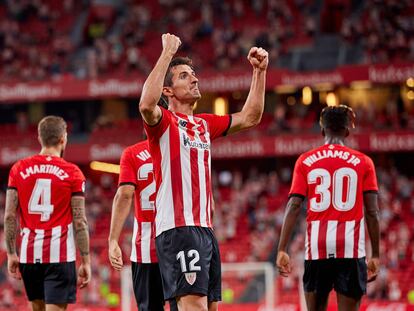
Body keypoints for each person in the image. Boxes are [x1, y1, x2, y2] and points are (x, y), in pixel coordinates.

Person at [138, 33, 268, 311]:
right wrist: (167, 54)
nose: (195, 79)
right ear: (169, 91)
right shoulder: (164, 123)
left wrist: (259, 72)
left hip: (205, 230)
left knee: (209, 307)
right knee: (193, 306)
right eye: (185, 76)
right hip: (178, 228)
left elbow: (250, 117)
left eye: (194, 74)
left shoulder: (204, 124)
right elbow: (147, 105)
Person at [276, 105, 380, 311]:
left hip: (317, 248)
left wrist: (282, 248)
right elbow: (372, 212)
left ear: (322, 131)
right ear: (348, 131)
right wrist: (376, 254)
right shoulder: (364, 162)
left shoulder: (305, 161)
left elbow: (294, 205)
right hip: (350, 249)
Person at [4, 115, 91, 311]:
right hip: (59, 257)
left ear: (39, 138)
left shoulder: (18, 169)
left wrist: (11, 254)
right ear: (63, 139)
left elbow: (9, 216)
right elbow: (80, 221)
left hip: (29, 256)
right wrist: (85, 261)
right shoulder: (72, 172)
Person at [108, 139, 177, 311]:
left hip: (146, 247)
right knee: (185, 305)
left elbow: (124, 195)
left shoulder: (132, 153)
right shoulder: (181, 148)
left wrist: (113, 240)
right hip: (180, 241)